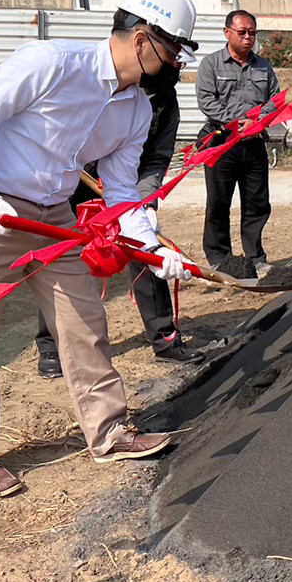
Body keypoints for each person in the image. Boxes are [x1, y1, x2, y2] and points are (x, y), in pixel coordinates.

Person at [0, 0, 198, 497]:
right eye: (174, 50)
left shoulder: (137, 111)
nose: (177, 64)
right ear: (143, 38)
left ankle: (108, 432)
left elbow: (123, 194)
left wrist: (151, 251)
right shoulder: (53, 63)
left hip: (54, 215)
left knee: (84, 320)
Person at [34, 58, 203, 376]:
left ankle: (165, 338)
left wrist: (146, 205)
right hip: (79, 180)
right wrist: (83, 170)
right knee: (64, 257)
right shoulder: (105, 86)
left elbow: (157, 157)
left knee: (147, 251)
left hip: (128, 187)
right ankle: (51, 345)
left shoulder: (166, 101)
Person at [195, 10, 280, 274]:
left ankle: (255, 256)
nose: (248, 38)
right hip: (222, 144)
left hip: (254, 144)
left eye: (252, 33)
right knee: (219, 203)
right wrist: (238, 123)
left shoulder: (264, 67)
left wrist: (257, 123)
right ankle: (220, 258)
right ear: (227, 33)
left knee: (257, 202)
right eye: (242, 32)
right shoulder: (211, 65)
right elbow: (207, 101)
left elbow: (275, 101)